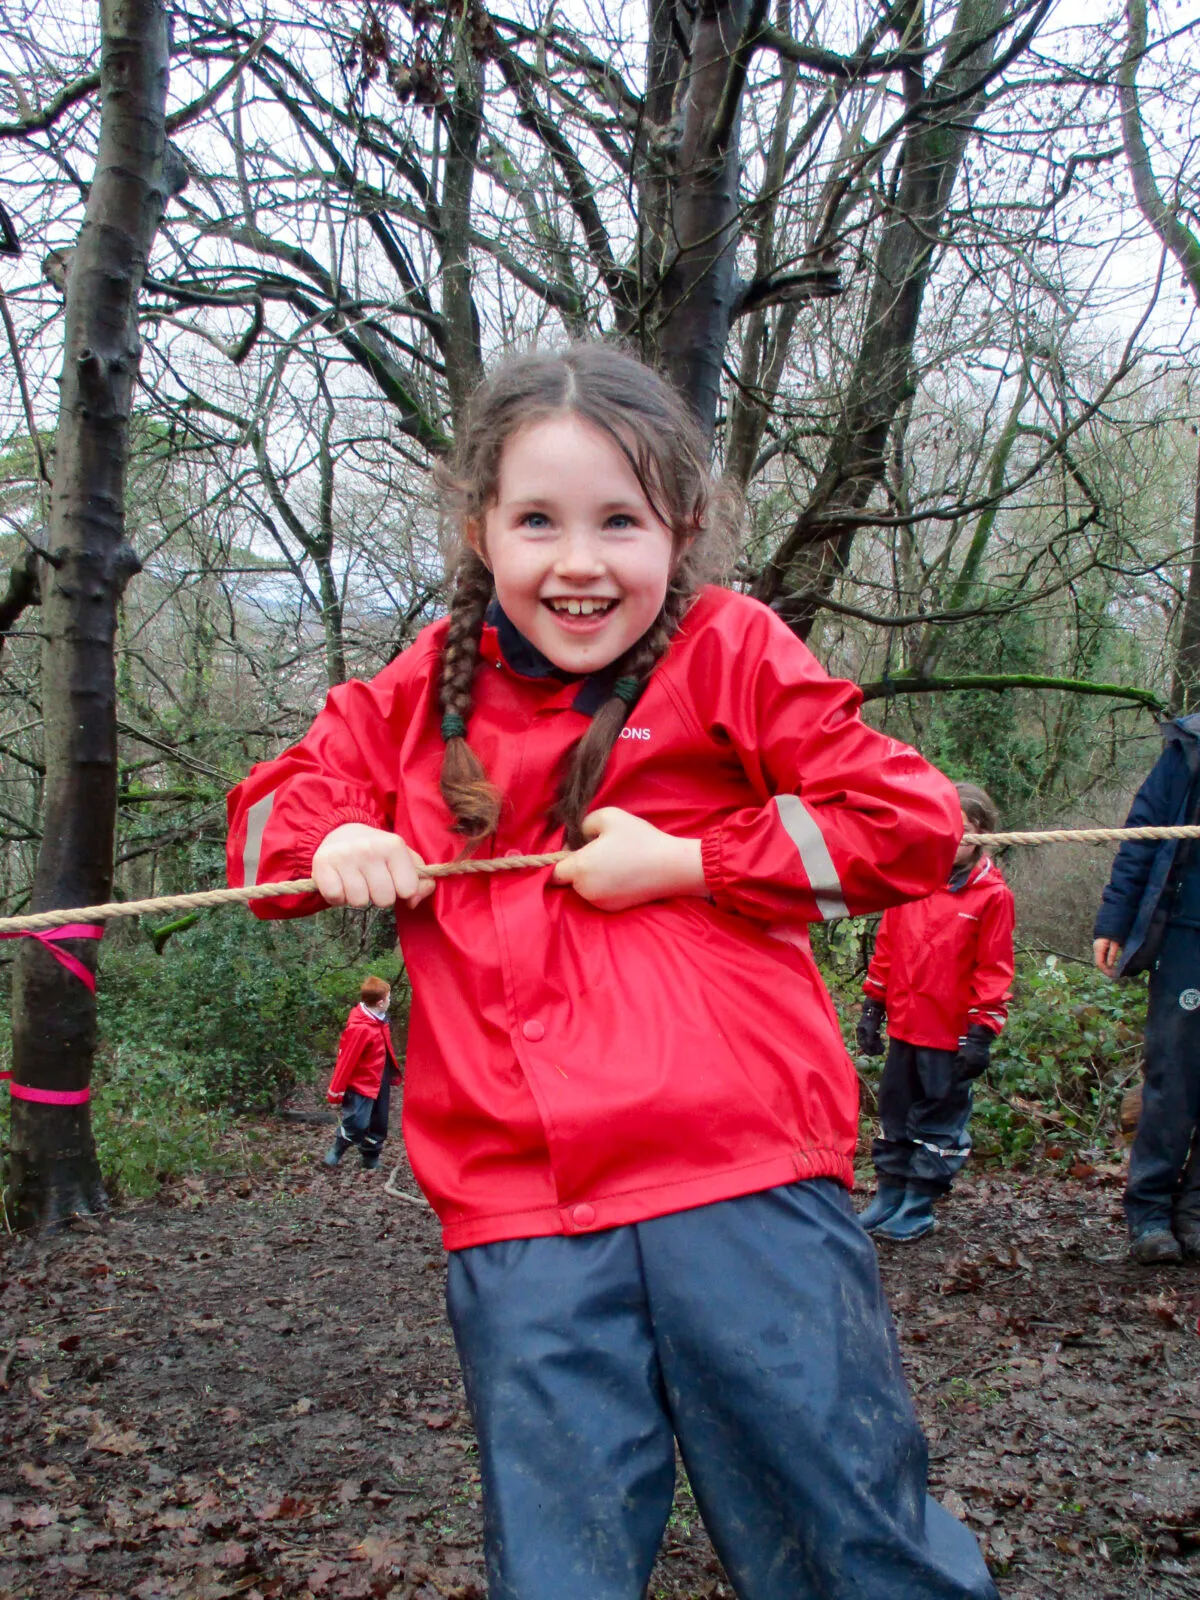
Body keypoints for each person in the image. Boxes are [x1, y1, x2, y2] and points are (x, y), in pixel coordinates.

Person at [227, 345, 998, 1600]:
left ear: (681, 528)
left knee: (854, 1538)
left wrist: (689, 860)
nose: (578, 562)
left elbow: (909, 820)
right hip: (521, 1215)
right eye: (538, 520)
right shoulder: (421, 689)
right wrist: (336, 839)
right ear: (480, 529)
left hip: (743, 1180)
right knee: (556, 1569)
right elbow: (265, 828)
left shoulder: (730, 648)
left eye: (620, 522)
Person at [855, 783, 1015, 1242]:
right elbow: (888, 946)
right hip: (906, 1025)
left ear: (982, 835)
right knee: (895, 1111)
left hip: (949, 1034)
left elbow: (994, 969)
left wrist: (982, 1032)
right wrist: (873, 1006)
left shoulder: (991, 896)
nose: (952, 837)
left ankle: (918, 1203)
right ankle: (889, 1193)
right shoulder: (913, 883)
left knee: (939, 1120)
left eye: (963, 829)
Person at [1093, 711, 1200, 1265]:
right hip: (1187, 935)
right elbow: (1143, 833)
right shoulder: (1188, 747)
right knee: (1173, 1075)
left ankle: (1195, 1212)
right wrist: (1114, 921)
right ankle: (1150, 1213)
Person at [324, 974, 400, 1171]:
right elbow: (346, 1059)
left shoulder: (381, 1020)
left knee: (379, 1122)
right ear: (381, 1002)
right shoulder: (359, 1028)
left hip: (380, 1078)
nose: (390, 1000)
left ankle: (370, 1156)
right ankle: (338, 1148)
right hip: (361, 1084)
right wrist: (336, 1090)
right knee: (357, 1122)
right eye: (389, 997)